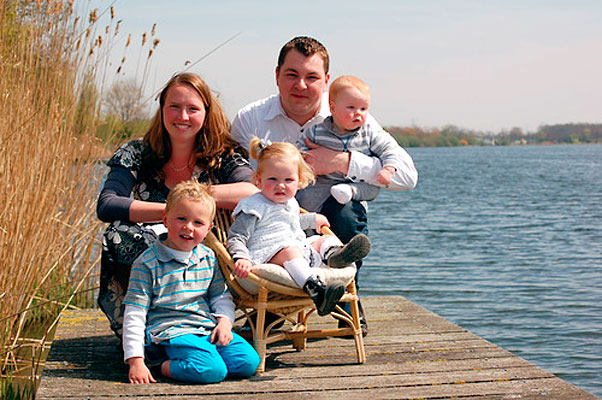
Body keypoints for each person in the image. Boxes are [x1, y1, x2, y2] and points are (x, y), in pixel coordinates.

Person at [231, 36, 418, 335]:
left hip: (331, 217)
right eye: (292, 74)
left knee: (345, 211)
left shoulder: (354, 116)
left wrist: (341, 162)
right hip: (276, 218)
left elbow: (407, 177)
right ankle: (275, 311)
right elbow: (232, 171)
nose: (301, 85)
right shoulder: (249, 120)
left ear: (327, 81)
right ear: (277, 75)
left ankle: (344, 299)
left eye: (312, 77)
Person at [97, 72, 258, 341]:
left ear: (206, 112)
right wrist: (168, 211)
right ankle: (139, 332)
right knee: (118, 232)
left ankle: (199, 324)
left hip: (201, 243)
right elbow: (108, 203)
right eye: (174, 107)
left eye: (192, 109)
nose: (182, 116)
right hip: (151, 243)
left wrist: (192, 198)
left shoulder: (222, 154)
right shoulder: (136, 152)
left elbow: (251, 192)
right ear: (162, 110)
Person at [122, 181, 260, 384]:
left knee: (248, 362)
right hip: (170, 331)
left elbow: (220, 296)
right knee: (212, 370)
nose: (188, 227)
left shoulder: (208, 257)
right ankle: (159, 363)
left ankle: (200, 357)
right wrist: (135, 361)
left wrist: (224, 322)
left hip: (205, 326)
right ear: (165, 219)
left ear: (208, 228)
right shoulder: (147, 263)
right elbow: (135, 312)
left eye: (198, 223)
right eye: (181, 219)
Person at [227, 138, 371, 316]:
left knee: (323, 239)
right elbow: (236, 236)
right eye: (272, 179)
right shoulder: (253, 206)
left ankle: (334, 256)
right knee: (289, 251)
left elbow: (291, 222)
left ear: (299, 181)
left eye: (288, 180)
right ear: (258, 179)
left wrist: (312, 219)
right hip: (267, 254)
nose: (281, 185)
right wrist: (241, 257)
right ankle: (317, 291)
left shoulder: (290, 202)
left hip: (297, 249)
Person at [296, 75, 407, 210]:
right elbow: (300, 148)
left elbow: (388, 150)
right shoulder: (317, 131)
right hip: (323, 182)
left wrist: (388, 169)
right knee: (306, 197)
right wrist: (307, 166)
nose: (358, 113)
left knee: (372, 188)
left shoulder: (369, 133)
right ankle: (310, 226)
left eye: (363, 109)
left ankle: (349, 192)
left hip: (356, 183)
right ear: (333, 108)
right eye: (351, 108)